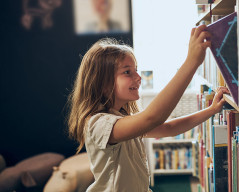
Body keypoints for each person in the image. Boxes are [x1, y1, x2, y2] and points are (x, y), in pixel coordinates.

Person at [67, 25, 229, 191]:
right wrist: (191, 62)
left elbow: (170, 128)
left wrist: (211, 110)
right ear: (103, 84)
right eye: (127, 72)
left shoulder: (123, 118)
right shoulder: (98, 124)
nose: (138, 77)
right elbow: (152, 118)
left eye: (136, 70)